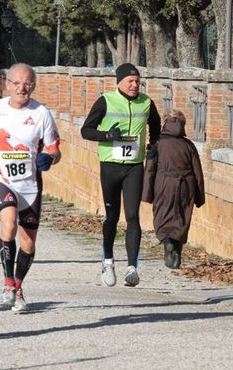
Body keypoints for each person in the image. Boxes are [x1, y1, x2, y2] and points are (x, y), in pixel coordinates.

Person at [0, 63, 61, 314]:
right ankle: (7, 284)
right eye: (16, 83)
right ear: (7, 84)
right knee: (9, 223)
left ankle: (19, 288)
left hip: (30, 184)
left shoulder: (41, 113)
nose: (21, 88)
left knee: (28, 244)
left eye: (27, 83)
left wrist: (49, 158)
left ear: (33, 86)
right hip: (1, 179)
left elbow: (54, 149)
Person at [81, 63, 161, 287]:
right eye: (130, 81)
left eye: (138, 81)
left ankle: (132, 267)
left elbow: (155, 122)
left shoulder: (146, 102)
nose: (135, 85)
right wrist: (106, 135)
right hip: (110, 166)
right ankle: (108, 261)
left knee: (133, 216)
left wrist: (154, 143)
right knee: (112, 216)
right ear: (120, 82)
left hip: (135, 167)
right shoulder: (105, 101)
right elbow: (85, 130)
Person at [142, 110, 205, 269]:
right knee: (182, 217)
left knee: (162, 216)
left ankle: (167, 242)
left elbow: (150, 169)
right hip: (186, 185)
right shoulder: (188, 145)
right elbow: (197, 171)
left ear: (165, 123)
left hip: (163, 183)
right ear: (182, 125)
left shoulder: (158, 144)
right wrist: (199, 196)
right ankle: (177, 251)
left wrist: (147, 194)